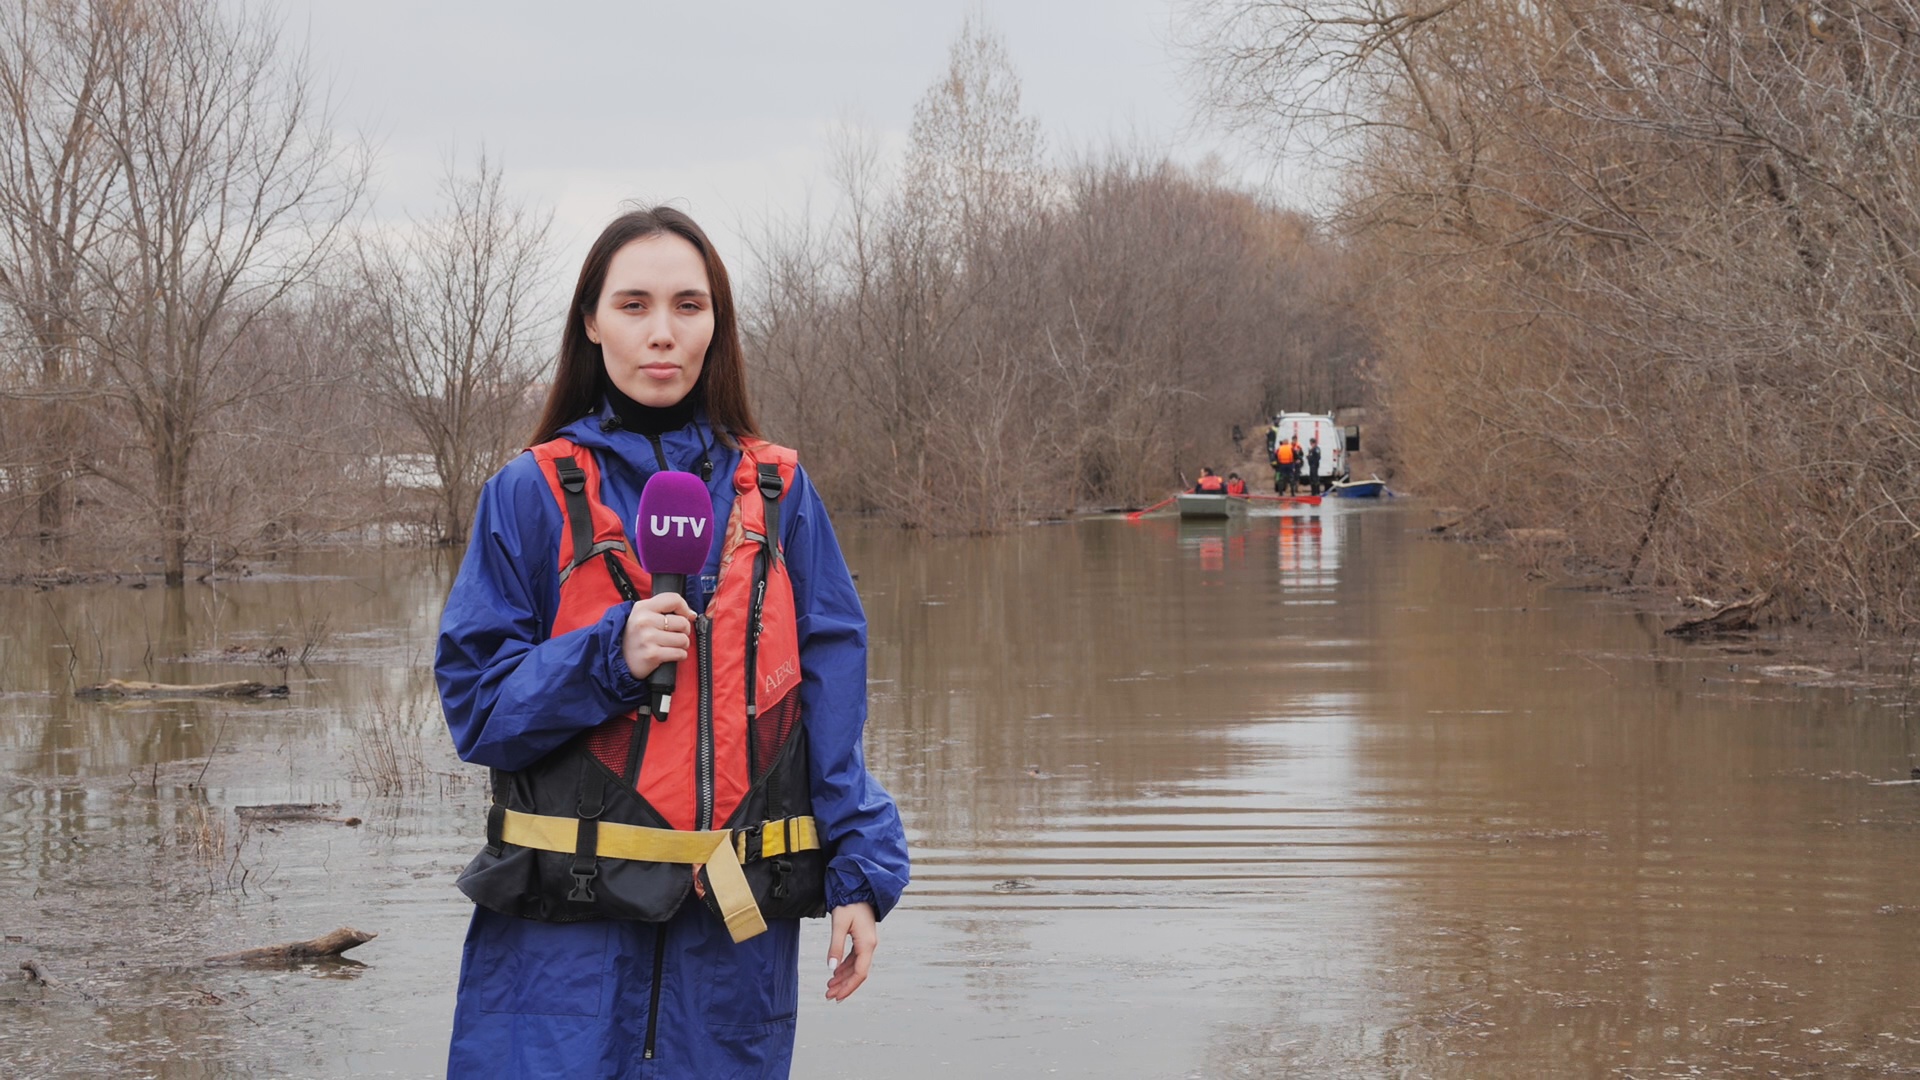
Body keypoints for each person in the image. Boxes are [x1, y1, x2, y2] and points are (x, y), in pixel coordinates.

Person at [435, 207, 910, 1078]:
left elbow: (829, 703)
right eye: (634, 305)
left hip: (728, 948)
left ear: (717, 325)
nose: (662, 333)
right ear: (591, 321)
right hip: (559, 952)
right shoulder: (527, 494)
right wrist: (608, 655)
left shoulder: (781, 494)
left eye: (689, 306)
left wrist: (859, 876)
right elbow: (478, 711)